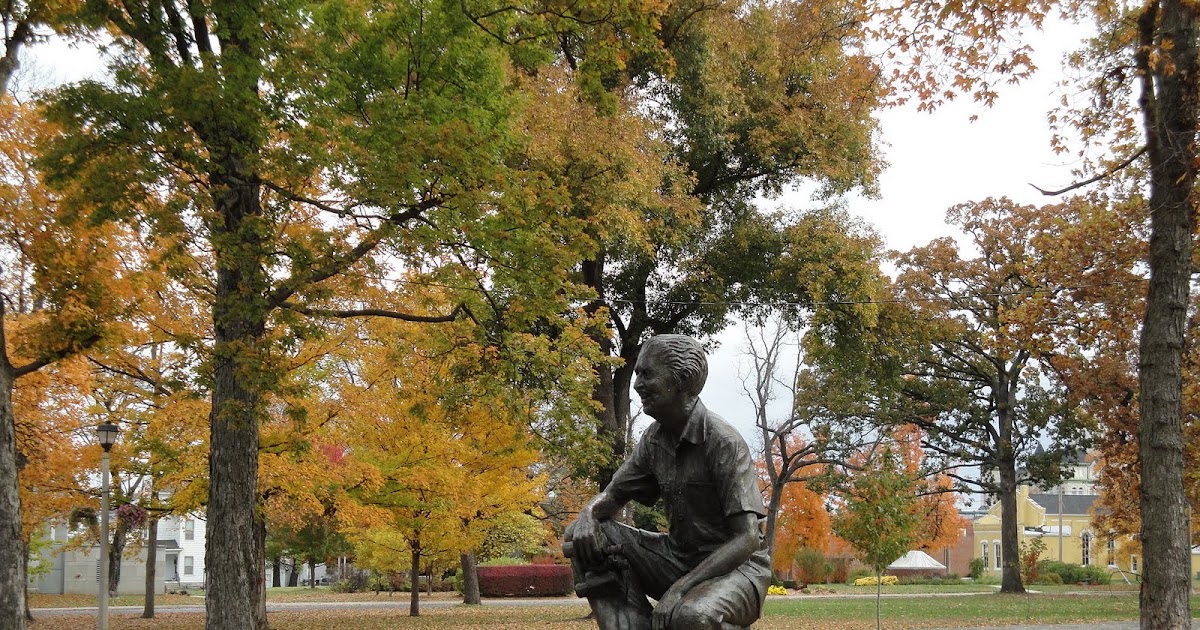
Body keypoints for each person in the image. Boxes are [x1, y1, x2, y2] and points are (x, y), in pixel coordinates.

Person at [564, 334, 771, 630]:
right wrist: (587, 514)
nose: (637, 385)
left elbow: (748, 538)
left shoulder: (722, 441)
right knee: (583, 534)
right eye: (636, 375)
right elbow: (612, 496)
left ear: (682, 381)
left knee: (689, 616)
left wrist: (680, 589)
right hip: (677, 558)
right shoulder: (652, 439)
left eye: (647, 374)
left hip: (738, 570)